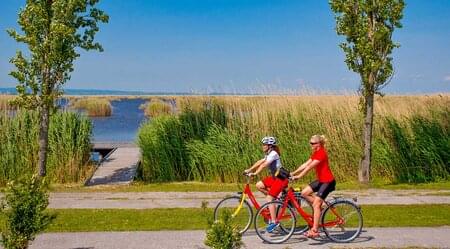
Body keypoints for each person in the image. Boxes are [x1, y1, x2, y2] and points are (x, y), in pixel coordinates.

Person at [290, 135, 336, 238]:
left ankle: (315, 230)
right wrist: (293, 173)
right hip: (321, 180)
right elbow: (306, 164)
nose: (310, 145)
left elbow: (309, 167)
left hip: (328, 181)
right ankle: (321, 205)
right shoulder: (316, 152)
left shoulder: (322, 153)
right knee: (304, 193)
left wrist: (299, 176)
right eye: (310, 143)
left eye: (312, 143)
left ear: (318, 144)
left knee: (315, 204)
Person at [244, 136, 289, 233]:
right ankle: (275, 199)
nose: (262, 146)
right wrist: (249, 170)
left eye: (264, 145)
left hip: (281, 178)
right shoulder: (269, 153)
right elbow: (260, 162)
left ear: (270, 146)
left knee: (269, 198)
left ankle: (274, 222)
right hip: (275, 178)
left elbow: (264, 165)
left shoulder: (273, 154)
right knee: (259, 185)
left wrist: (255, 173)